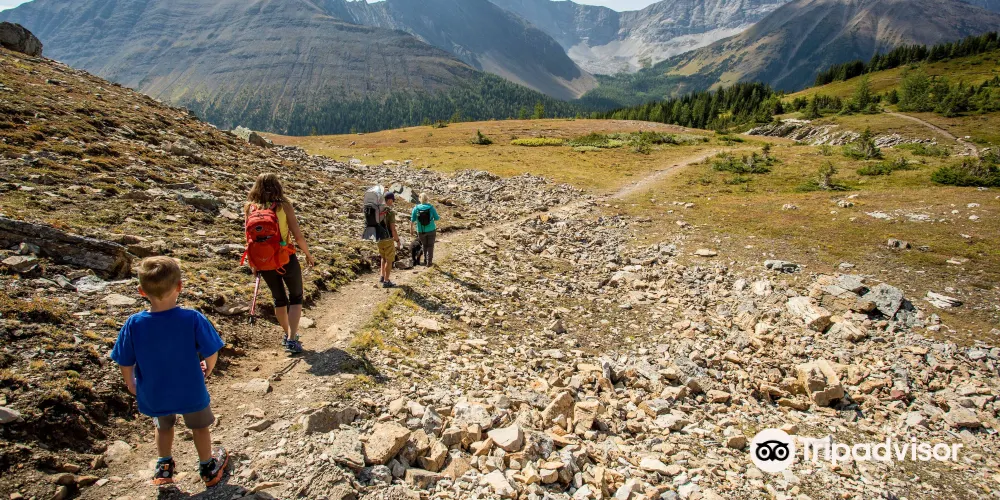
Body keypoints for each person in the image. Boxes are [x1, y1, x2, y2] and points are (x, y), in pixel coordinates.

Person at [110, 256, 229, 488]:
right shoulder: (192, 318)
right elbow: (211, 350)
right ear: (179, 286)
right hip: (191, 389)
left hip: (154, 391)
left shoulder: (134, 324)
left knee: (163, 426)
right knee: (200, 427)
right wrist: (208, 368)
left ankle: (164, 467)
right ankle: (207, 467)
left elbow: (124, 359)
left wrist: (131, 382)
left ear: (141, 291)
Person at [245, 173, 315, 354]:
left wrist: (253, 263)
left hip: (263, 260)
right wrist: (308, 254)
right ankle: (292, 338)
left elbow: (249, 238)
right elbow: (297, 235)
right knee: (296, 297)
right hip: (286, 257)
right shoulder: (283, 205)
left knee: (279, 299)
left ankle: (287, 335)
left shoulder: (250, 207)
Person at [410, 193, 441, 266]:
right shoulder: (431, 207)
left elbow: (412, 220)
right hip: (431, 229)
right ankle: (429, 262)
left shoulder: (416, 208)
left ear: (419, 199)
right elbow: (437, 218)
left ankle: (425, 260)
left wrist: (411, 229)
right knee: (430, 245)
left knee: (424, 245)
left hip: (421, 231)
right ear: (427, 199)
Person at [378, 192, 401, 288]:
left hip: (379, 238)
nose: (392, 202)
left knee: (383, 258)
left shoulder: (378, 210)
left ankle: (382, 276)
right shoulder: (390, 212)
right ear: (390, 200)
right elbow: (393, 229)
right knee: (389, 260)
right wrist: (397, 240)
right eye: (392, 200)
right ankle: (386, 281)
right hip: (388, 239)